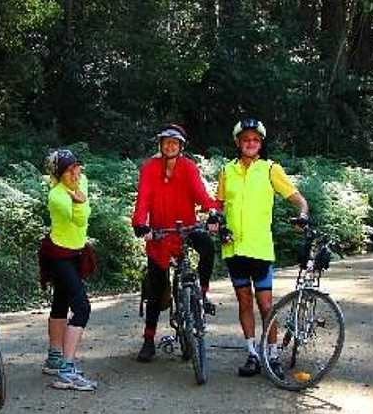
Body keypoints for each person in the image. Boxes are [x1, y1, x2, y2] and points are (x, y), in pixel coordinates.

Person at [217, 118, 309, 377]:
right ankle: (252, 354)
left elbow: (297, 198)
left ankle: (273, 355)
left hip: (260, 248)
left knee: (267, 305)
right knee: (244, 302)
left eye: (255, 140)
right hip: (233, 248)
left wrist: (302, 213)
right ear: (238, 142)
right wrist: (214, 220)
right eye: (246, 139)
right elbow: (217, 204)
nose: (250, 143)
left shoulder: (271, 169)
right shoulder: (227, 171)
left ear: (261, 144)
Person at [131, 123, 220, 362]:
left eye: (175, 142)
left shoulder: (188, 167)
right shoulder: (149, 168)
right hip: (160, 232)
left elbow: (201, 194)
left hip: (186, 228)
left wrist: (212, 212)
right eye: (166, 141)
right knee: (156, 288)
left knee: (207, 247)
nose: (170, 145)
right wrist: (141, 224)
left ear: (181, 146)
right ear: (160, 144)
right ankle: (149, 339)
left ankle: (201, 292)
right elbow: (143, 199)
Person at [38, 149, 97, 390]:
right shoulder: (56, 196)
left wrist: (81, 198)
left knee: (60, 303)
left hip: (74, 252)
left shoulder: (81, 181)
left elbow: (84, 203)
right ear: (58, 175)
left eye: (76, 167)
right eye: (68, 170)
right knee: (82, 307)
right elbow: (81, 219)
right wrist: (81, 201)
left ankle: (55, 357)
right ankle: (67, 369)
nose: (75, 173)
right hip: (59, 255)